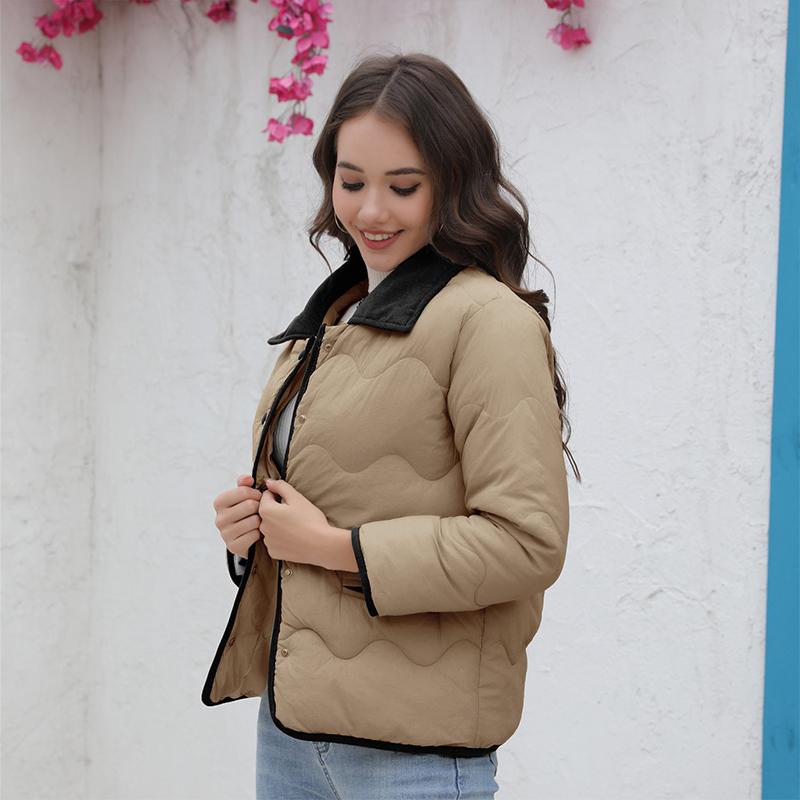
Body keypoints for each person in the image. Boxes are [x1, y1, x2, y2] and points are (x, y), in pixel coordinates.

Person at [203, 52, 580, 800]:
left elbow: (526, 542)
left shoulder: (487, 322)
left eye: (403, 187)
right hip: (292, 734)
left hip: (414, 756)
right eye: (351, 183)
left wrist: (334, 547)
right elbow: (339, 501)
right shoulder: (332, 320)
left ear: (452, 183)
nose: (371, 211)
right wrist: (251, 531)